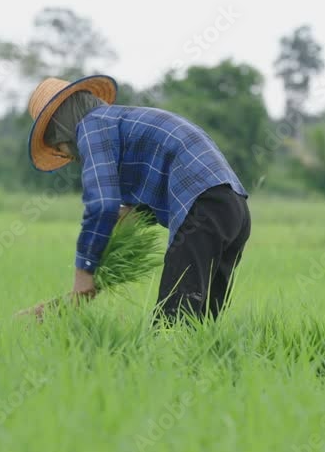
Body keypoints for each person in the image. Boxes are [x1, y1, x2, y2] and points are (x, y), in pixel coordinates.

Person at [20, 75, 251, 323]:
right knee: (202, 325)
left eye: (58, 146)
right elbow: (156, 184)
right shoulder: (120, 122)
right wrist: (127, 224)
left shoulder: (92, 126)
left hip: (202, 208)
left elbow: (102, 205)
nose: (66, 155)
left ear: (63, 127)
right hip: (233, 209)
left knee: (173, 325)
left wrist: (83, 274)